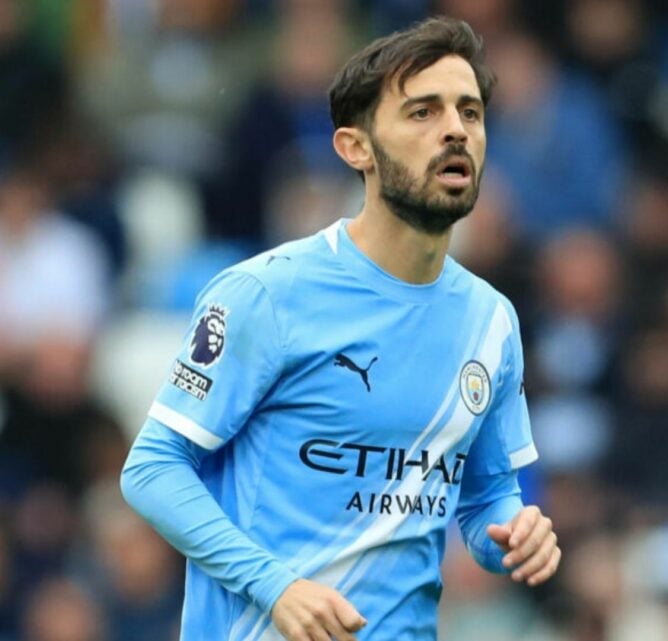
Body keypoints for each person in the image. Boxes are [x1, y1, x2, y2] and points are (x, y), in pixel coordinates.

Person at [120, 17, 560, 641]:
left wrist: (515, 535)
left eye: (470, 111)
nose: (456, 129)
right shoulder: (265, 295)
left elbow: (487, 497)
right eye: (422, 113)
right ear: (355, 148)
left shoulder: (492, 321)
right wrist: (276, 586)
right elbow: (154, 469)